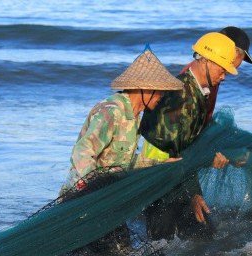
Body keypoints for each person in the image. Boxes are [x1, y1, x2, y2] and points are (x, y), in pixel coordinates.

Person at [61, 47, 183, 253]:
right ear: (144, 88)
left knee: (122, 248)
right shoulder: (112, 112)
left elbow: (124, 162)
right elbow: (82, 152)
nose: (162, 96)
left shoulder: (134, 116)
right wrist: (93, 188)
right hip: (84, 202)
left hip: (107, 201)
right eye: (160, 90)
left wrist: (159, 164)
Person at [139, 28, 252, 240]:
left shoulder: (199, 90)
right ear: (207, 61)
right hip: (159, 176)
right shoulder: (182, 96)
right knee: (162, 241)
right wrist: (193, 193)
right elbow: (175, 151)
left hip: (175, 174)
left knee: (197, 237)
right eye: (223, 70)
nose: (225, 76)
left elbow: (190, 142)